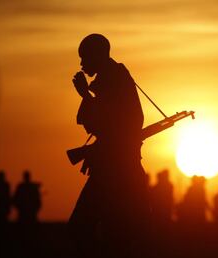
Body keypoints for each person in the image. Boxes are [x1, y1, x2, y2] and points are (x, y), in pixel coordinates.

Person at [68, 34, 150, 258]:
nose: (82, 64)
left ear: (98, 55)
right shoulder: (113, 78)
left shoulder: (113, 79)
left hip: (115, 173)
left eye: (85, 58)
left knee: (100, 233)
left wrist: (85, 94)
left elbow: (105, 123)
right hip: (112, 170)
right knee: (111, 235)